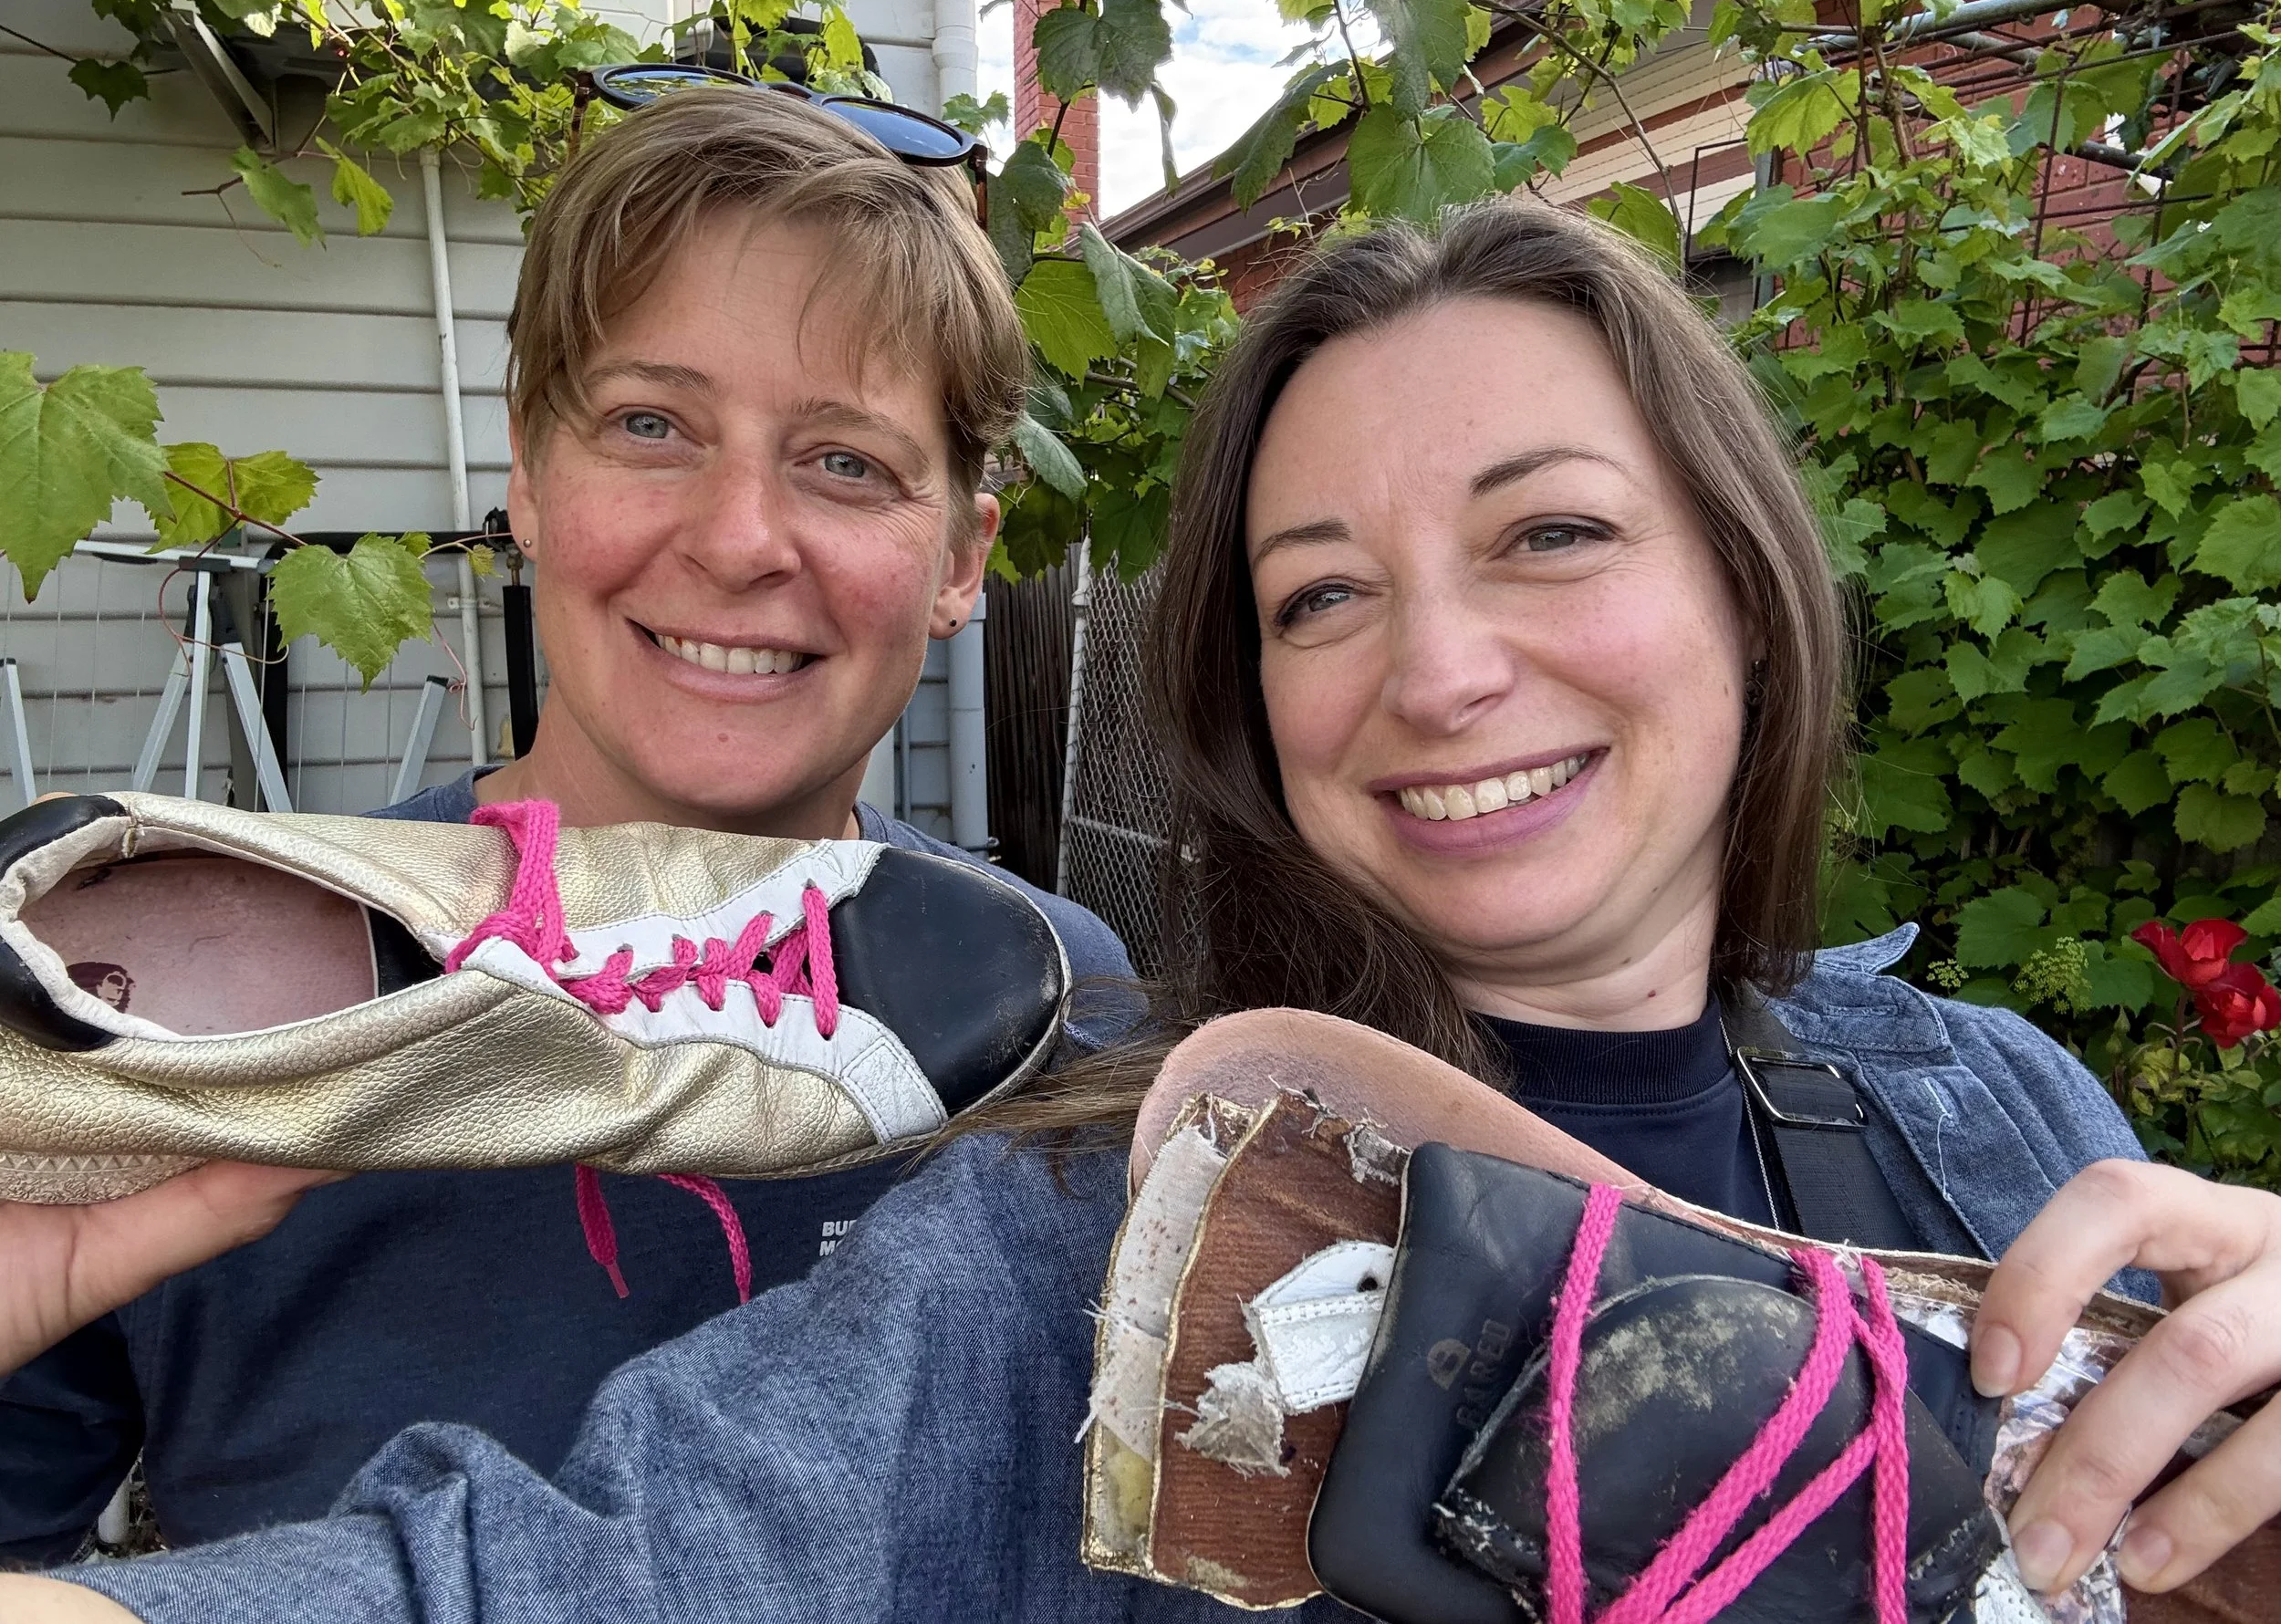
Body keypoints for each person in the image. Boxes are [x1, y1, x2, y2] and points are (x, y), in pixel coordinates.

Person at [9, 198, 2281, 1623]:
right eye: (1321, 596)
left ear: (1747, 590)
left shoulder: (1992, 1108)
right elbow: (510, 1581)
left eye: (1553, 533)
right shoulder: (1133, 1194)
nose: (1436, 669)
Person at [0, 86, 1130, 1562]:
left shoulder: (1058, 1002)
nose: (736, 538)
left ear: (961, 557)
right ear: (528, 473)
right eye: (650, 424)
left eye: (846, 460)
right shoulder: (178, 1018)